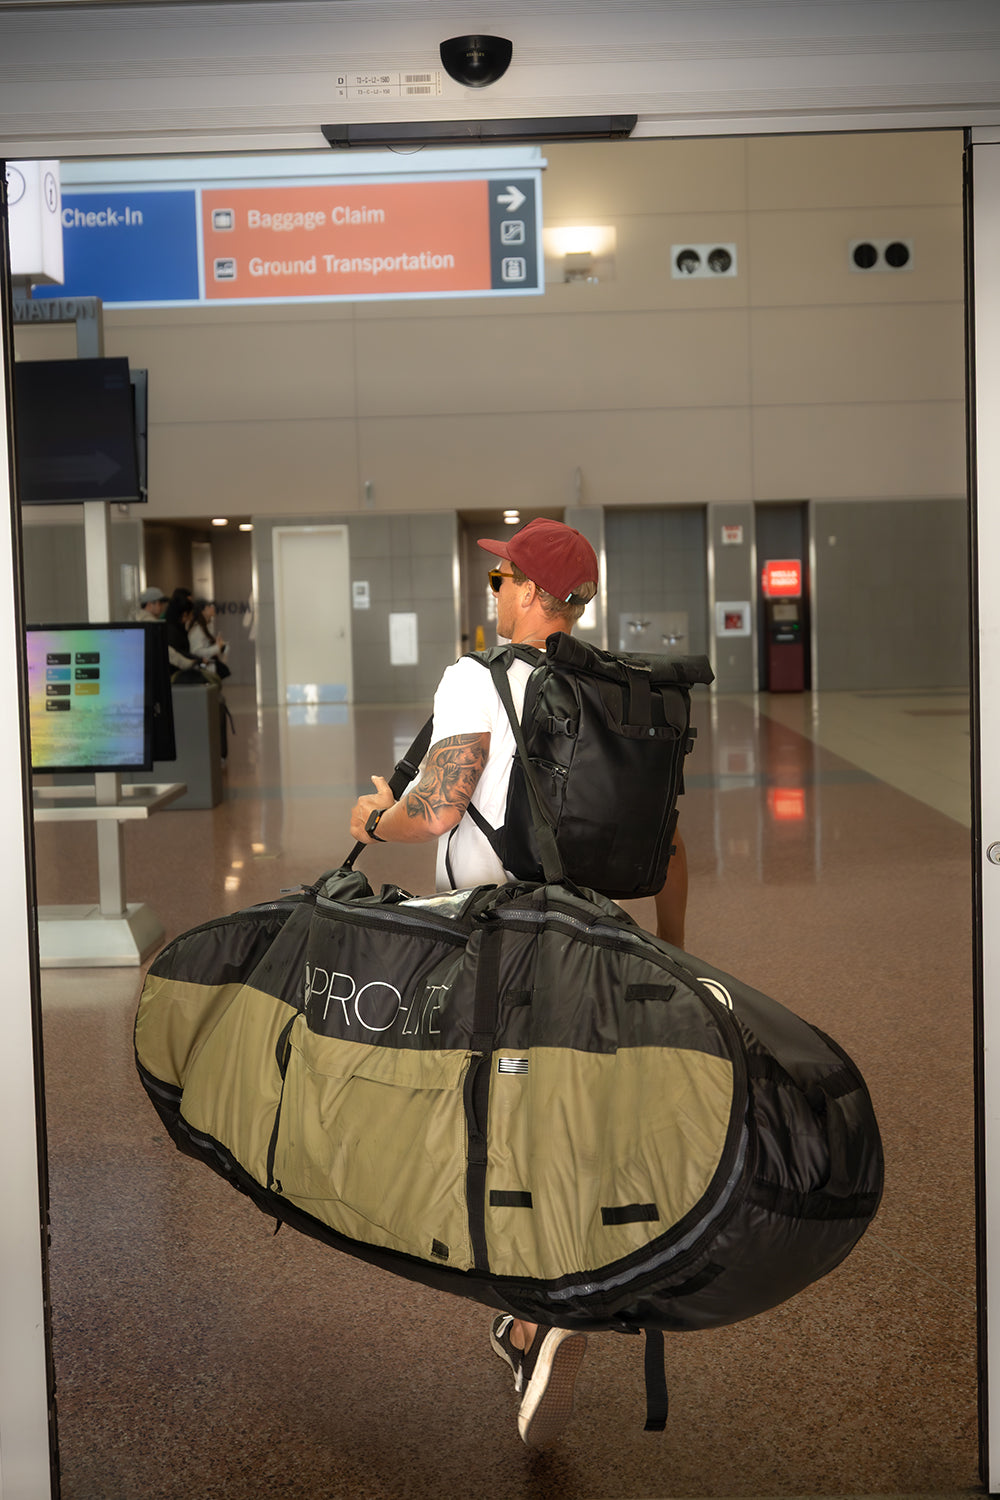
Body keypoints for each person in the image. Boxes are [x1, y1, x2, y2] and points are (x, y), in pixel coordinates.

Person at [348, 516, 690, 1447]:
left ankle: (534, 1313)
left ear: (533, 594)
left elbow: (438, 806)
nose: (492, 590)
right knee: (559, 1113)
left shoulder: (476, 677)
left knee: (489, 1124)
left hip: (501, 936)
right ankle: (554, 1297)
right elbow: (669, 842)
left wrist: (377, 818)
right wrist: (675, 951)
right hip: (599, 937)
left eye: (501, 578)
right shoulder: (607, 688)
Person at [188, 598, 229, 673]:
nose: (212, 608)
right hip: (202, 670)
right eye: (209, 606)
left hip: (208, 669)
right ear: (202, 611)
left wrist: (219, 646)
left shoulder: (206, 626)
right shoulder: (197, 629)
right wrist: (217, 647)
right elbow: (196, 652)